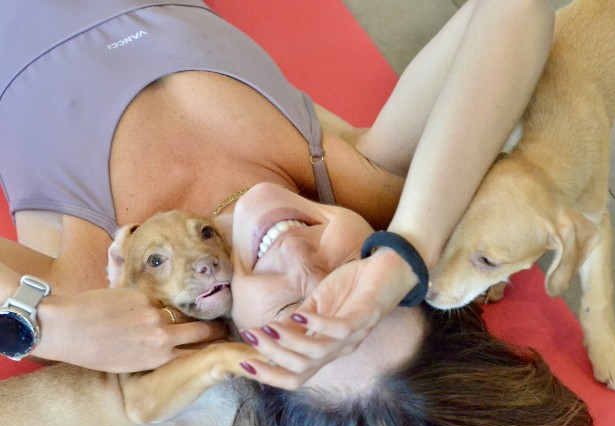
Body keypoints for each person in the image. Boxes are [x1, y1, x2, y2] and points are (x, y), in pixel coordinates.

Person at [0, 0, 555, 383]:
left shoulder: (99, 282)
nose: (300, 257)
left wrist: (46, 328)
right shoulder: (357, 183)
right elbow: (513, 8)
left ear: (238, 345)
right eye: (350, 279)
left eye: (296, 312)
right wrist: (410, 249)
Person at [205, 182, 594, 426]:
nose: (295, 251)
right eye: (352, 272)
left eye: (291, 312)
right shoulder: (368, 171)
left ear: (243, 352)